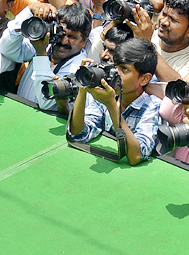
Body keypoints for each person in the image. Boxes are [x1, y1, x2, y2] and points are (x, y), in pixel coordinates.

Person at [67, 37, 162, 165]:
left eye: (124, 69)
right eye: (114, 66)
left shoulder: (151, 106)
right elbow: (79, 134)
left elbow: (136, 156)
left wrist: (111, 105)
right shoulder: (107, 93)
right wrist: (83, 88)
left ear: (144, 79)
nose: (114, 73)